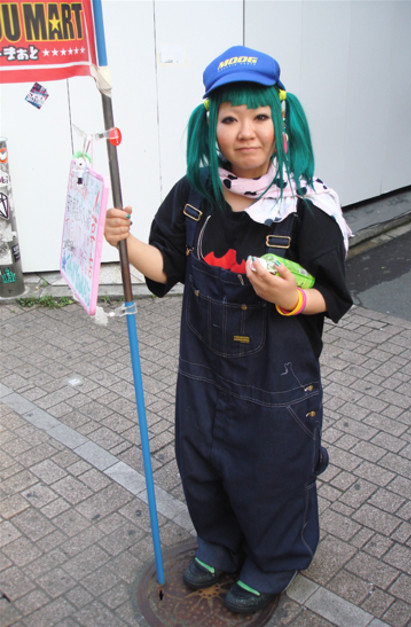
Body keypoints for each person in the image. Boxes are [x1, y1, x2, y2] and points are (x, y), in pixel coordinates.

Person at [104, 45, 353, 615]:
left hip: (278, 381)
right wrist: (123, 241)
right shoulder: (195, 196)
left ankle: (273, 561)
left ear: (281, 121)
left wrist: (292, 297)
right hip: (204, 371)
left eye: (260, 116)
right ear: (210, 126)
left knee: (270, 473)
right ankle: (218, 542)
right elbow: (166, 269)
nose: (246, 132)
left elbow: (334, 297)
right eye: (230, 118)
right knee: (204, 462)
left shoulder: (307, 207)